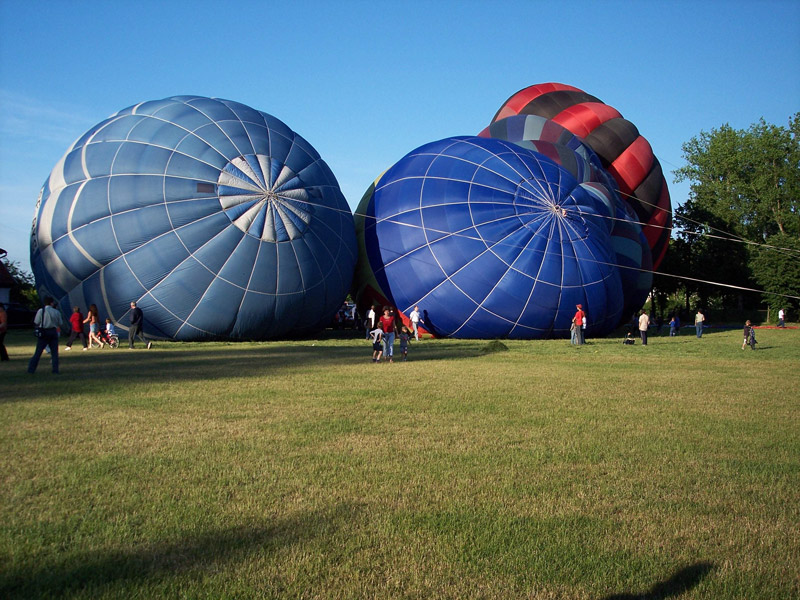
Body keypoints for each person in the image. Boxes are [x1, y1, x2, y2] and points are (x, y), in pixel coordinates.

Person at [28, 296, 63, 374]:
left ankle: (31, 369)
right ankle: (55, 370)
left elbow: (36, 321)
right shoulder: (56, 312)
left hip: (43, 331)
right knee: (54, 352)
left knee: (38, 352)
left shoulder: (41, 311)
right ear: (51, 303)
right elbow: (60, 323)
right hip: (53, 331)